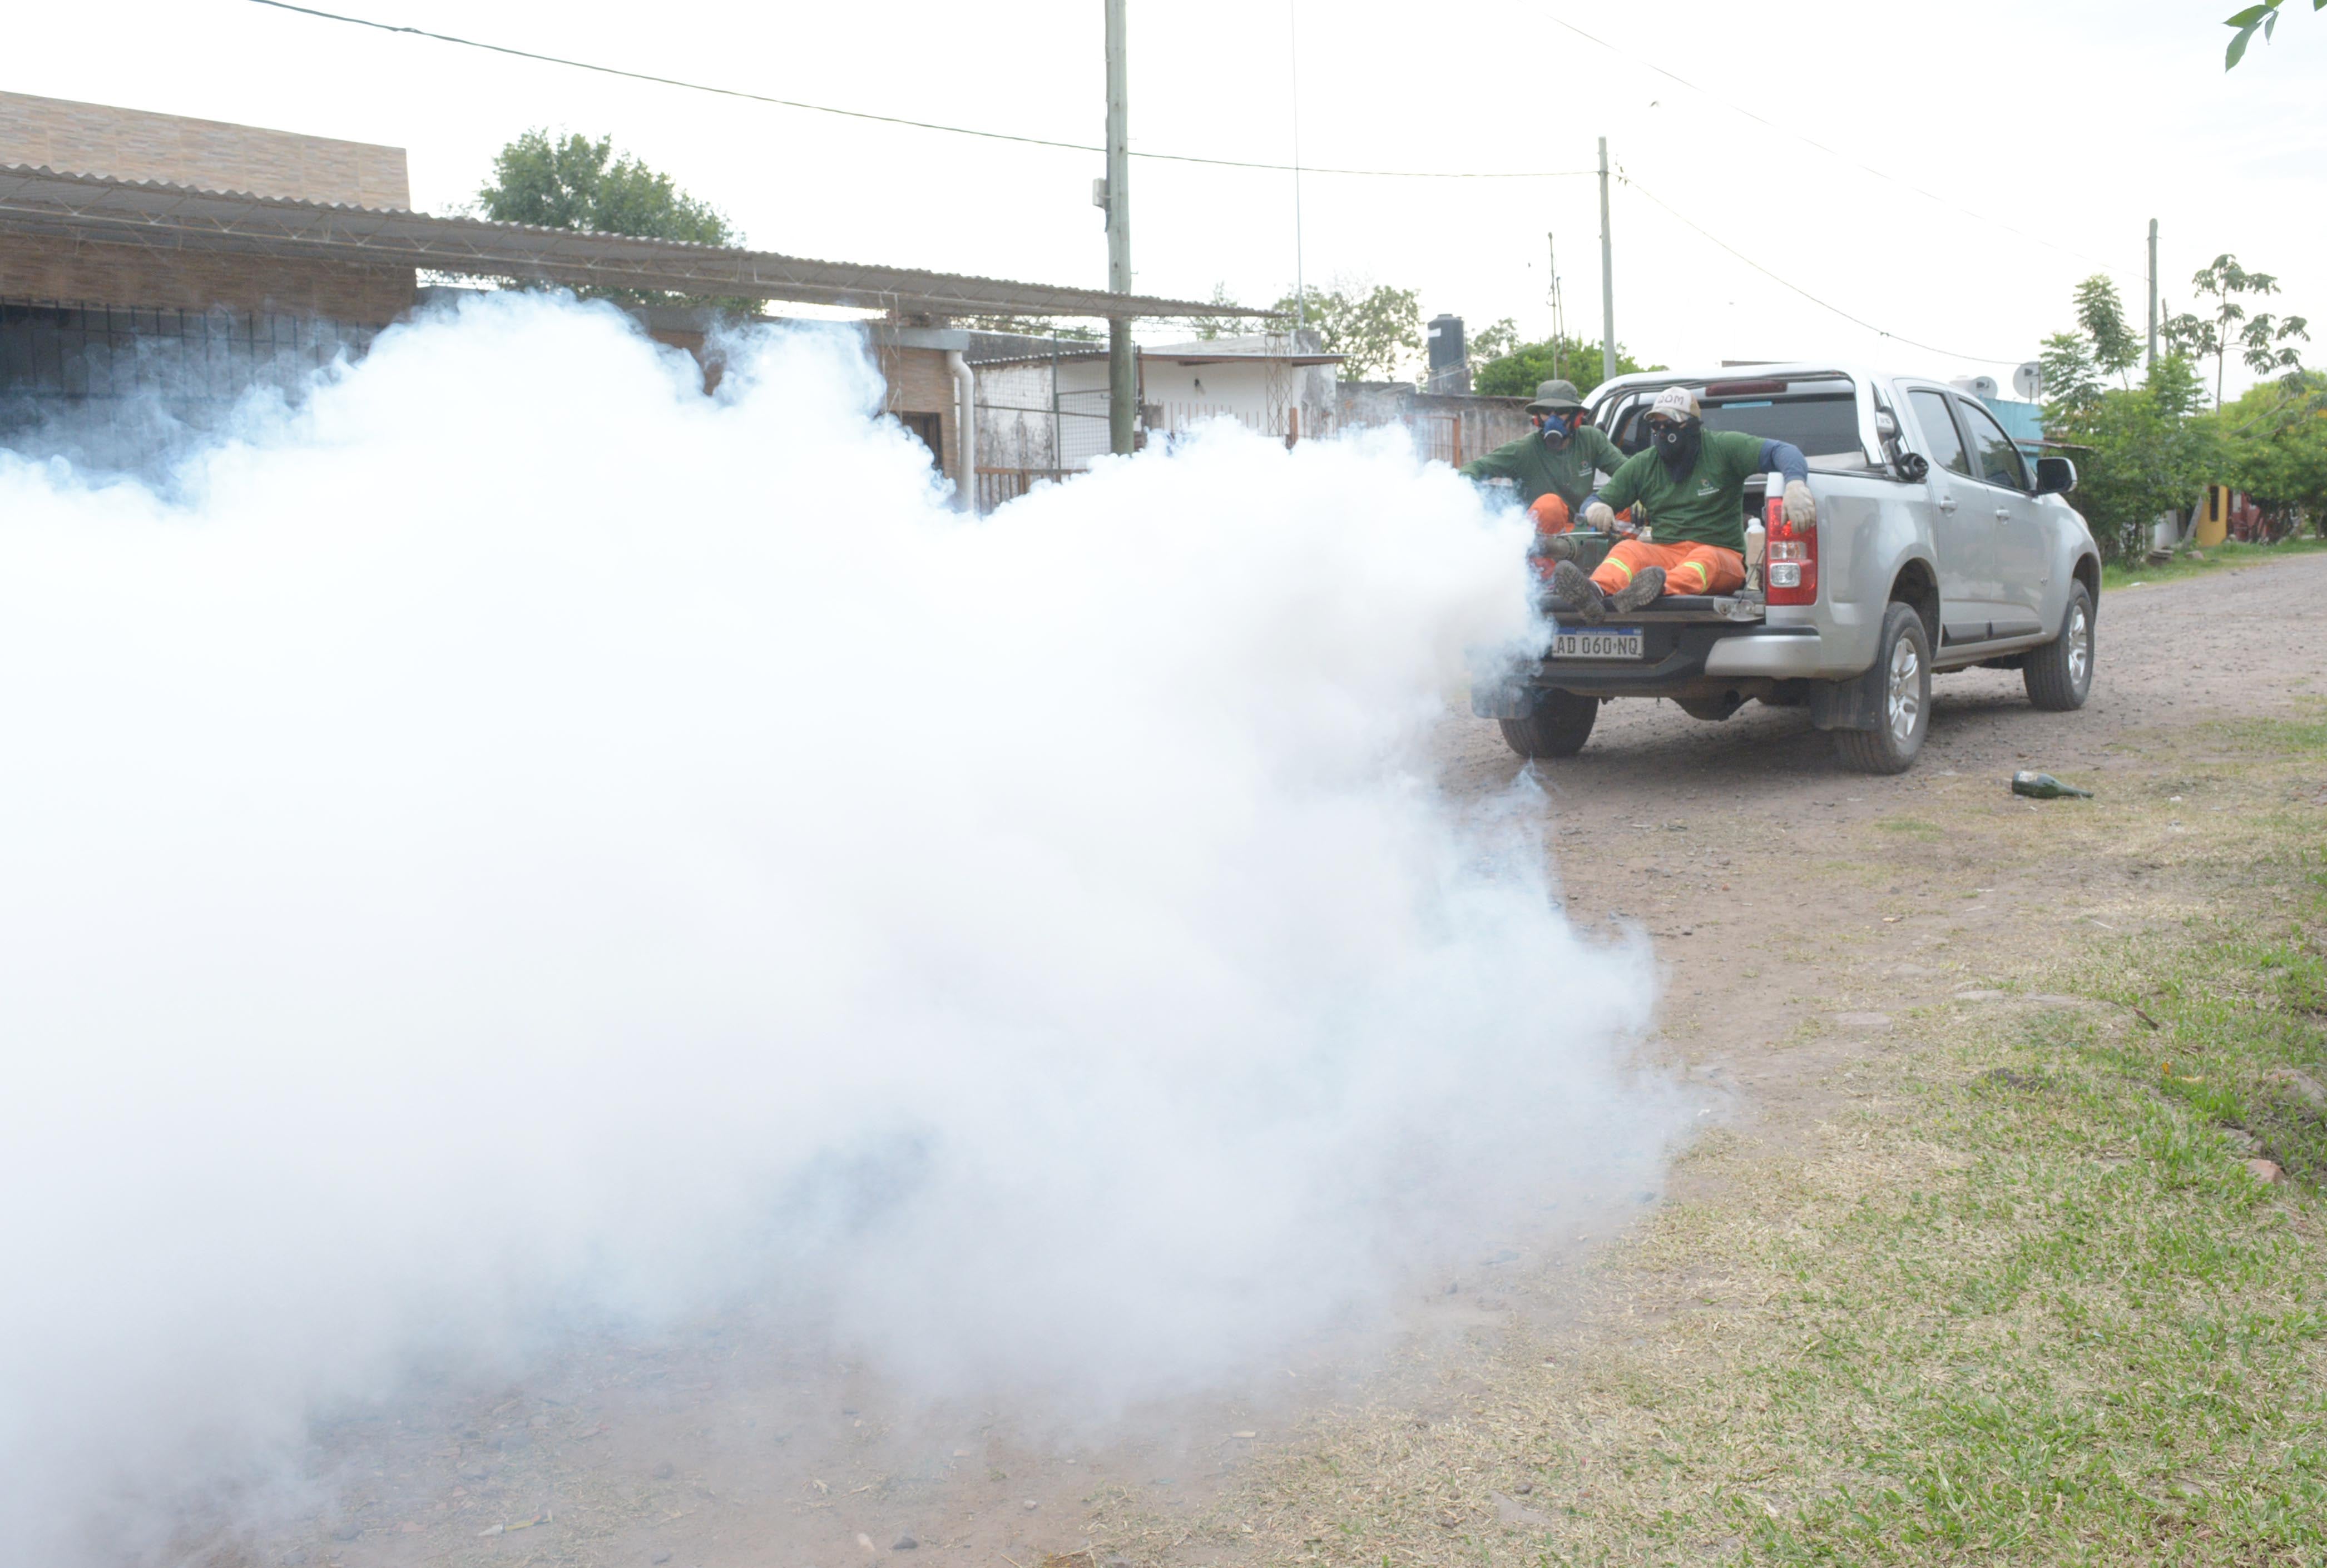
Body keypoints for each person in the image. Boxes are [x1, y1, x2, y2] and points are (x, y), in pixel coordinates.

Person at [1545, 386, 1816, 622]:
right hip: (1666, 553)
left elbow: (1783, 451)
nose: (1663, 433)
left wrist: (1795, 483)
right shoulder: (1644, 464)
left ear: (1692, 426)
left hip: (1722, 555)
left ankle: (1652, 590)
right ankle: (1595, 593)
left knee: (1705, 559)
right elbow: (1597, 499)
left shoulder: (1723, 448)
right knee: (1629, 549)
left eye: (1671, 425)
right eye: (1656, 426)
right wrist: (1596, 508)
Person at [1460, 379, 1627, 546]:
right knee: (1550, 505)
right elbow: (1471, 471)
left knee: (1628, 507)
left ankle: (1623, 552)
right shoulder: (1523, 450)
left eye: (1561, 412)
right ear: (1537, 418)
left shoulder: (1592, 439)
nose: (1553, 420)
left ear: (1577, 417)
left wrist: (1601, 504)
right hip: (1544, 540)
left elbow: (1629, 473)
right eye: (1547, 412)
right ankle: (1548, 567)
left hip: (1583, 529)